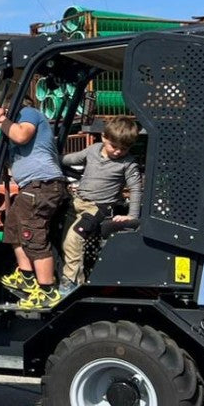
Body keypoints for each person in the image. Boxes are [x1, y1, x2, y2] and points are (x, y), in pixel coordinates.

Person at [0, 101, 68, 309]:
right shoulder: (12, 132)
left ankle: (48, 291)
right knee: (12, 228)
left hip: (43, 185)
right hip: (30, 187)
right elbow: (11, 162)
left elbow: (21, 135)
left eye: (6, 108)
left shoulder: (29, 113)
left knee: (33, 235)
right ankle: (27, 276)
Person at [60, 116, 142, 289]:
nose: (118, 151)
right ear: (104, 137)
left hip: (98, 207)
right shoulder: (93, 150)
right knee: (61, 237)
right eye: (114, 146)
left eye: (124, 148)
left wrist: (132, 217)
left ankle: (71, 282)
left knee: (74, 238)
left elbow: (135, 188)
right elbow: (69, 160)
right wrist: (51, 159)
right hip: (78, 202)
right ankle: (74, 278)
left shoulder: (128, 163)